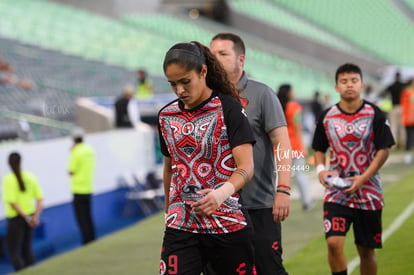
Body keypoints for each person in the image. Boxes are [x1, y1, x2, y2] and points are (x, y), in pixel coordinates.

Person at [158, 41, 256, 275]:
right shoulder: (166, 116)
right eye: (173, 84)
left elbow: (246, 167)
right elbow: (169, 169)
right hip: (181, 224)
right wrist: (168, 211)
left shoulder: (229, 109)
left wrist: (220, 195)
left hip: (228, 223)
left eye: (185, 82)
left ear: (203, 72)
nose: (180, 90)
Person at [211, 33, 291, 275]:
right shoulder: (205, 97)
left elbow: (282, 144)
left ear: (241, 59)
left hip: (259, 206)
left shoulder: (262, 94)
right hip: (218, 207)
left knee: (269, 270)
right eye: (212, 55)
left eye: (223, 54)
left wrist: (284, 190)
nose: (216, 60)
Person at [312, 63, 394, 275]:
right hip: (337, 191)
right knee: (333, 243)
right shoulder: (326, 116)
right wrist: (321, 169)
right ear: (336, 87)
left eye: (354, 81)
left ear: (362, 85)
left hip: (369, 192)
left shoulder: (374, 113)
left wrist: (364, 178)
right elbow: (318, 148)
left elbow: (384, 150)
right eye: (344, 81)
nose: (349, 85)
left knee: (366, 252)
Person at [2, 152, 43, 271]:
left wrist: (27, 217)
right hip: (29, 217)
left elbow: (12, 202)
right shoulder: (30, 177)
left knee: (13, 250)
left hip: (17, 219)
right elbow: (40, 199)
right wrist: (34, 217)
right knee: (27, 248)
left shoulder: (8, 179)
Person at [277, 84, 314, 211]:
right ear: (289, 93)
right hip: (295, 145)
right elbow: (298, 127)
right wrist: (303, 146)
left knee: (278, 175)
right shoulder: (295, 107)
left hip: (280, 146)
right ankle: (307, 201)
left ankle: (273, 200)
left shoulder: (277, 106)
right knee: (300, 174)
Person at [68, 128, 96, 245]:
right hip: (88, 188)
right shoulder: (89, 150)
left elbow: (71, 171)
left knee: (81, 218)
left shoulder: (76, 152)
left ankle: (86, 241)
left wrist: (72, 152)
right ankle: (92, 238)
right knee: (88, 216)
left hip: (78, 189)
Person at [380, 71, 405, 148]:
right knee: (402, 127)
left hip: (394, 107)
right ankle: (404, 144)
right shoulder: (403, 86)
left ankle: (393, 145)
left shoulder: (392, 86)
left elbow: (383, 92)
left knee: (393, 126)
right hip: (402, 107)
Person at [400, 78, 414, 164]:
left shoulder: (407, 91)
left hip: (408, 118)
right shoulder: (408, 92)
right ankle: (407, 155)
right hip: (409, 119)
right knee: (409, 136)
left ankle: (408, 155)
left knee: (409, 136)